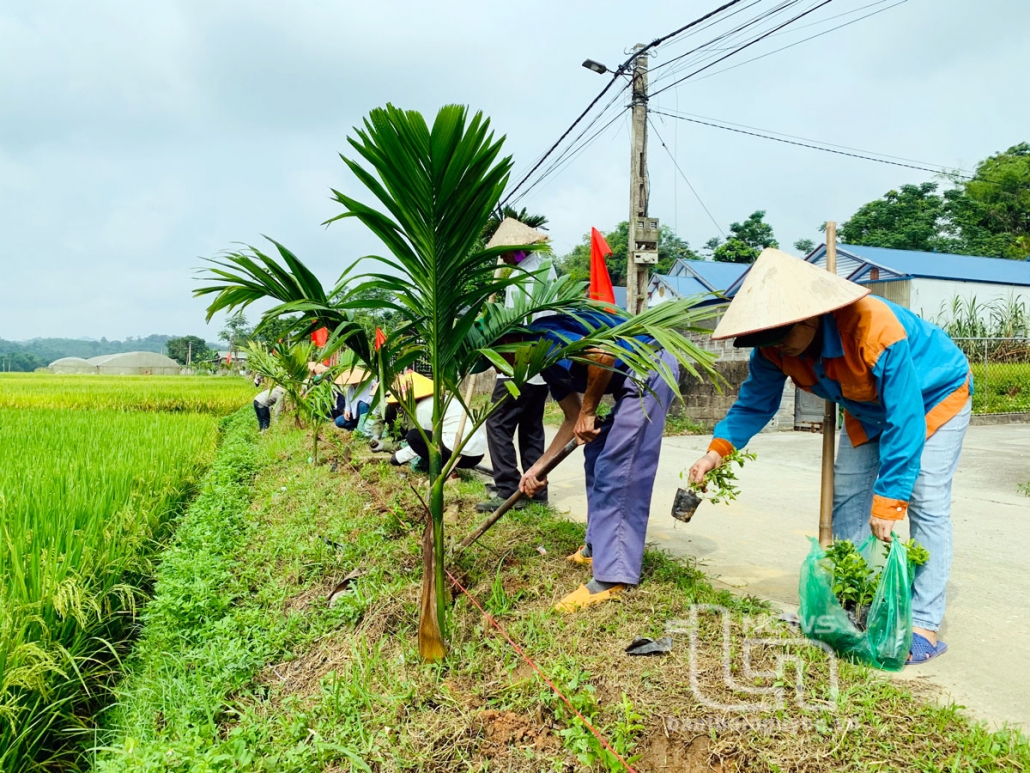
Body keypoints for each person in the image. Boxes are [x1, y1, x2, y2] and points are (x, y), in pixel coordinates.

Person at [686, 248, 971, 666]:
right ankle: (849, 605)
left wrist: (892, 498)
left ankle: (924, 624)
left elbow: (906, 418)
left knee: (923, 501)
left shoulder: (874, 330)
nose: (778, 350)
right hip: (865, 408)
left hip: (932, 398)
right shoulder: (772, 348)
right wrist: (717, 451)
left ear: (808, 318)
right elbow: (754, 403)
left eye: (782, 339)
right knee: (849, 499)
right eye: (768, 342)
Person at [517, 310, 679, 614]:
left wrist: (589, 410)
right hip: (628, 378)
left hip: (650, 365)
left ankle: (613, 576)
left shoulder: (546, 337)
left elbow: (603, 355)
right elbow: (571, 420)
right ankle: (597, 547)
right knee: (595, 455)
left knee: (619, 468)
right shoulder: (547, 368)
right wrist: (538, 468)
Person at [479, 218, 556, 513]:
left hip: (520, 363)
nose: (501, 258)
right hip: (541, 363)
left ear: (516, 248)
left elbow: (515, 323)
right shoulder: (544, 268)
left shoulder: (524, 277)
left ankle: (508, 488)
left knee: (497, 423)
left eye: (504, 252)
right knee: (531, 428)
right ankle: (536, 490)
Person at [390, 393, 488, 470]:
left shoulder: (422, 408)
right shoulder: (440, 398)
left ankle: (442, 470)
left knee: (413, 436)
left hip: (462, 454)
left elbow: (426, 442)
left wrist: (397, 458)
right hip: (476, 454)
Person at [333, 367, 375, 431]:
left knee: (362, 404)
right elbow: (348, 401)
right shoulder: (350, 388)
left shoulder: (371, 383)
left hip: (368, 412)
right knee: (338, 421)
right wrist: (347, 410)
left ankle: (364, 427)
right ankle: (358, 426)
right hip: (355, 413)